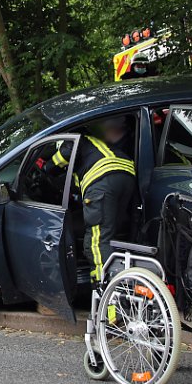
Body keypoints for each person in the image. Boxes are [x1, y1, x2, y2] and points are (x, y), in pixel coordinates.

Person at [42, 118, 136, 284]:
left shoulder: (74, 138)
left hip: (103, 178)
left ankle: (104, 287)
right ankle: (119, 281)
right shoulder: (94, 145)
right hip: (126, 174)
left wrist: (48, 167)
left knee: (96, 241)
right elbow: (77, 184)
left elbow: (66, 154)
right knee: (111, 231)